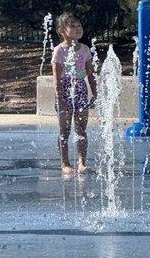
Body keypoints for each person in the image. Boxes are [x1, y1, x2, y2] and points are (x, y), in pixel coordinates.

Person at [51, 12, 97, 176]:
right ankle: (65, 163)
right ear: (62, 30)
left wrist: (95, 93)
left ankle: (82, 162)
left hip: (81, 90)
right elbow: (57, 78)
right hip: (64, 91)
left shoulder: (84, 49)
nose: (78, 29)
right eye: (73, 26)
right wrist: (59, 98)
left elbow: (89, 74)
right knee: (65, 130)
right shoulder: (59, 51)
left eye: (79, 26)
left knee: (81, 129)